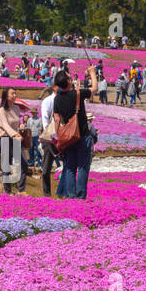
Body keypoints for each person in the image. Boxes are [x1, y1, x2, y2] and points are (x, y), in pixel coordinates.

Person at [52, 70, 93, 199]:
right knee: (82, 167)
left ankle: (71, 196)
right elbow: (95, 88)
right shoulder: (77, 94)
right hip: (82, 135)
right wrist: (92, 73)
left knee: (69, 167)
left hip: (68, 138)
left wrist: (58, 138)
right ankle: (80, 196)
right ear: (69, 81)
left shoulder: (57, 98)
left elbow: (57, 120)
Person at [0, 87, 31, 194]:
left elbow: (15, 124)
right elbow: (5, 126)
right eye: (12, 93)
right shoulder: (2, 110)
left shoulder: (16, 108)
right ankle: (8, 191)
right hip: (6, 138)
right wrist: (15, 134)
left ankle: (21, 189)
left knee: (23, 164)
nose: (15, 95)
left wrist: (20, 127)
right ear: (6, 96)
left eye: (15, 93)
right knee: (6, 166)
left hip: (16, 138)